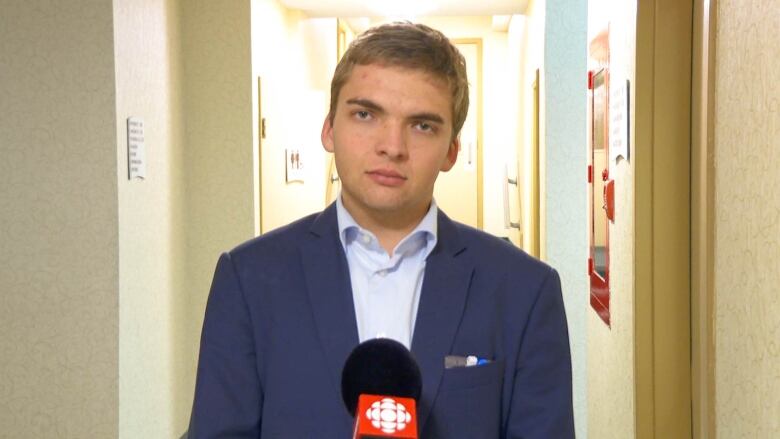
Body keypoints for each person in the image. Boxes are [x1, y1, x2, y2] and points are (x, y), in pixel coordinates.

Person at [188, 22, 574, 438]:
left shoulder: (525, 290)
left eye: (422, 125)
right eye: (366, 114)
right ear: (329, 129)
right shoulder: (248, 278)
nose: (392, 146)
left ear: (451, 151)